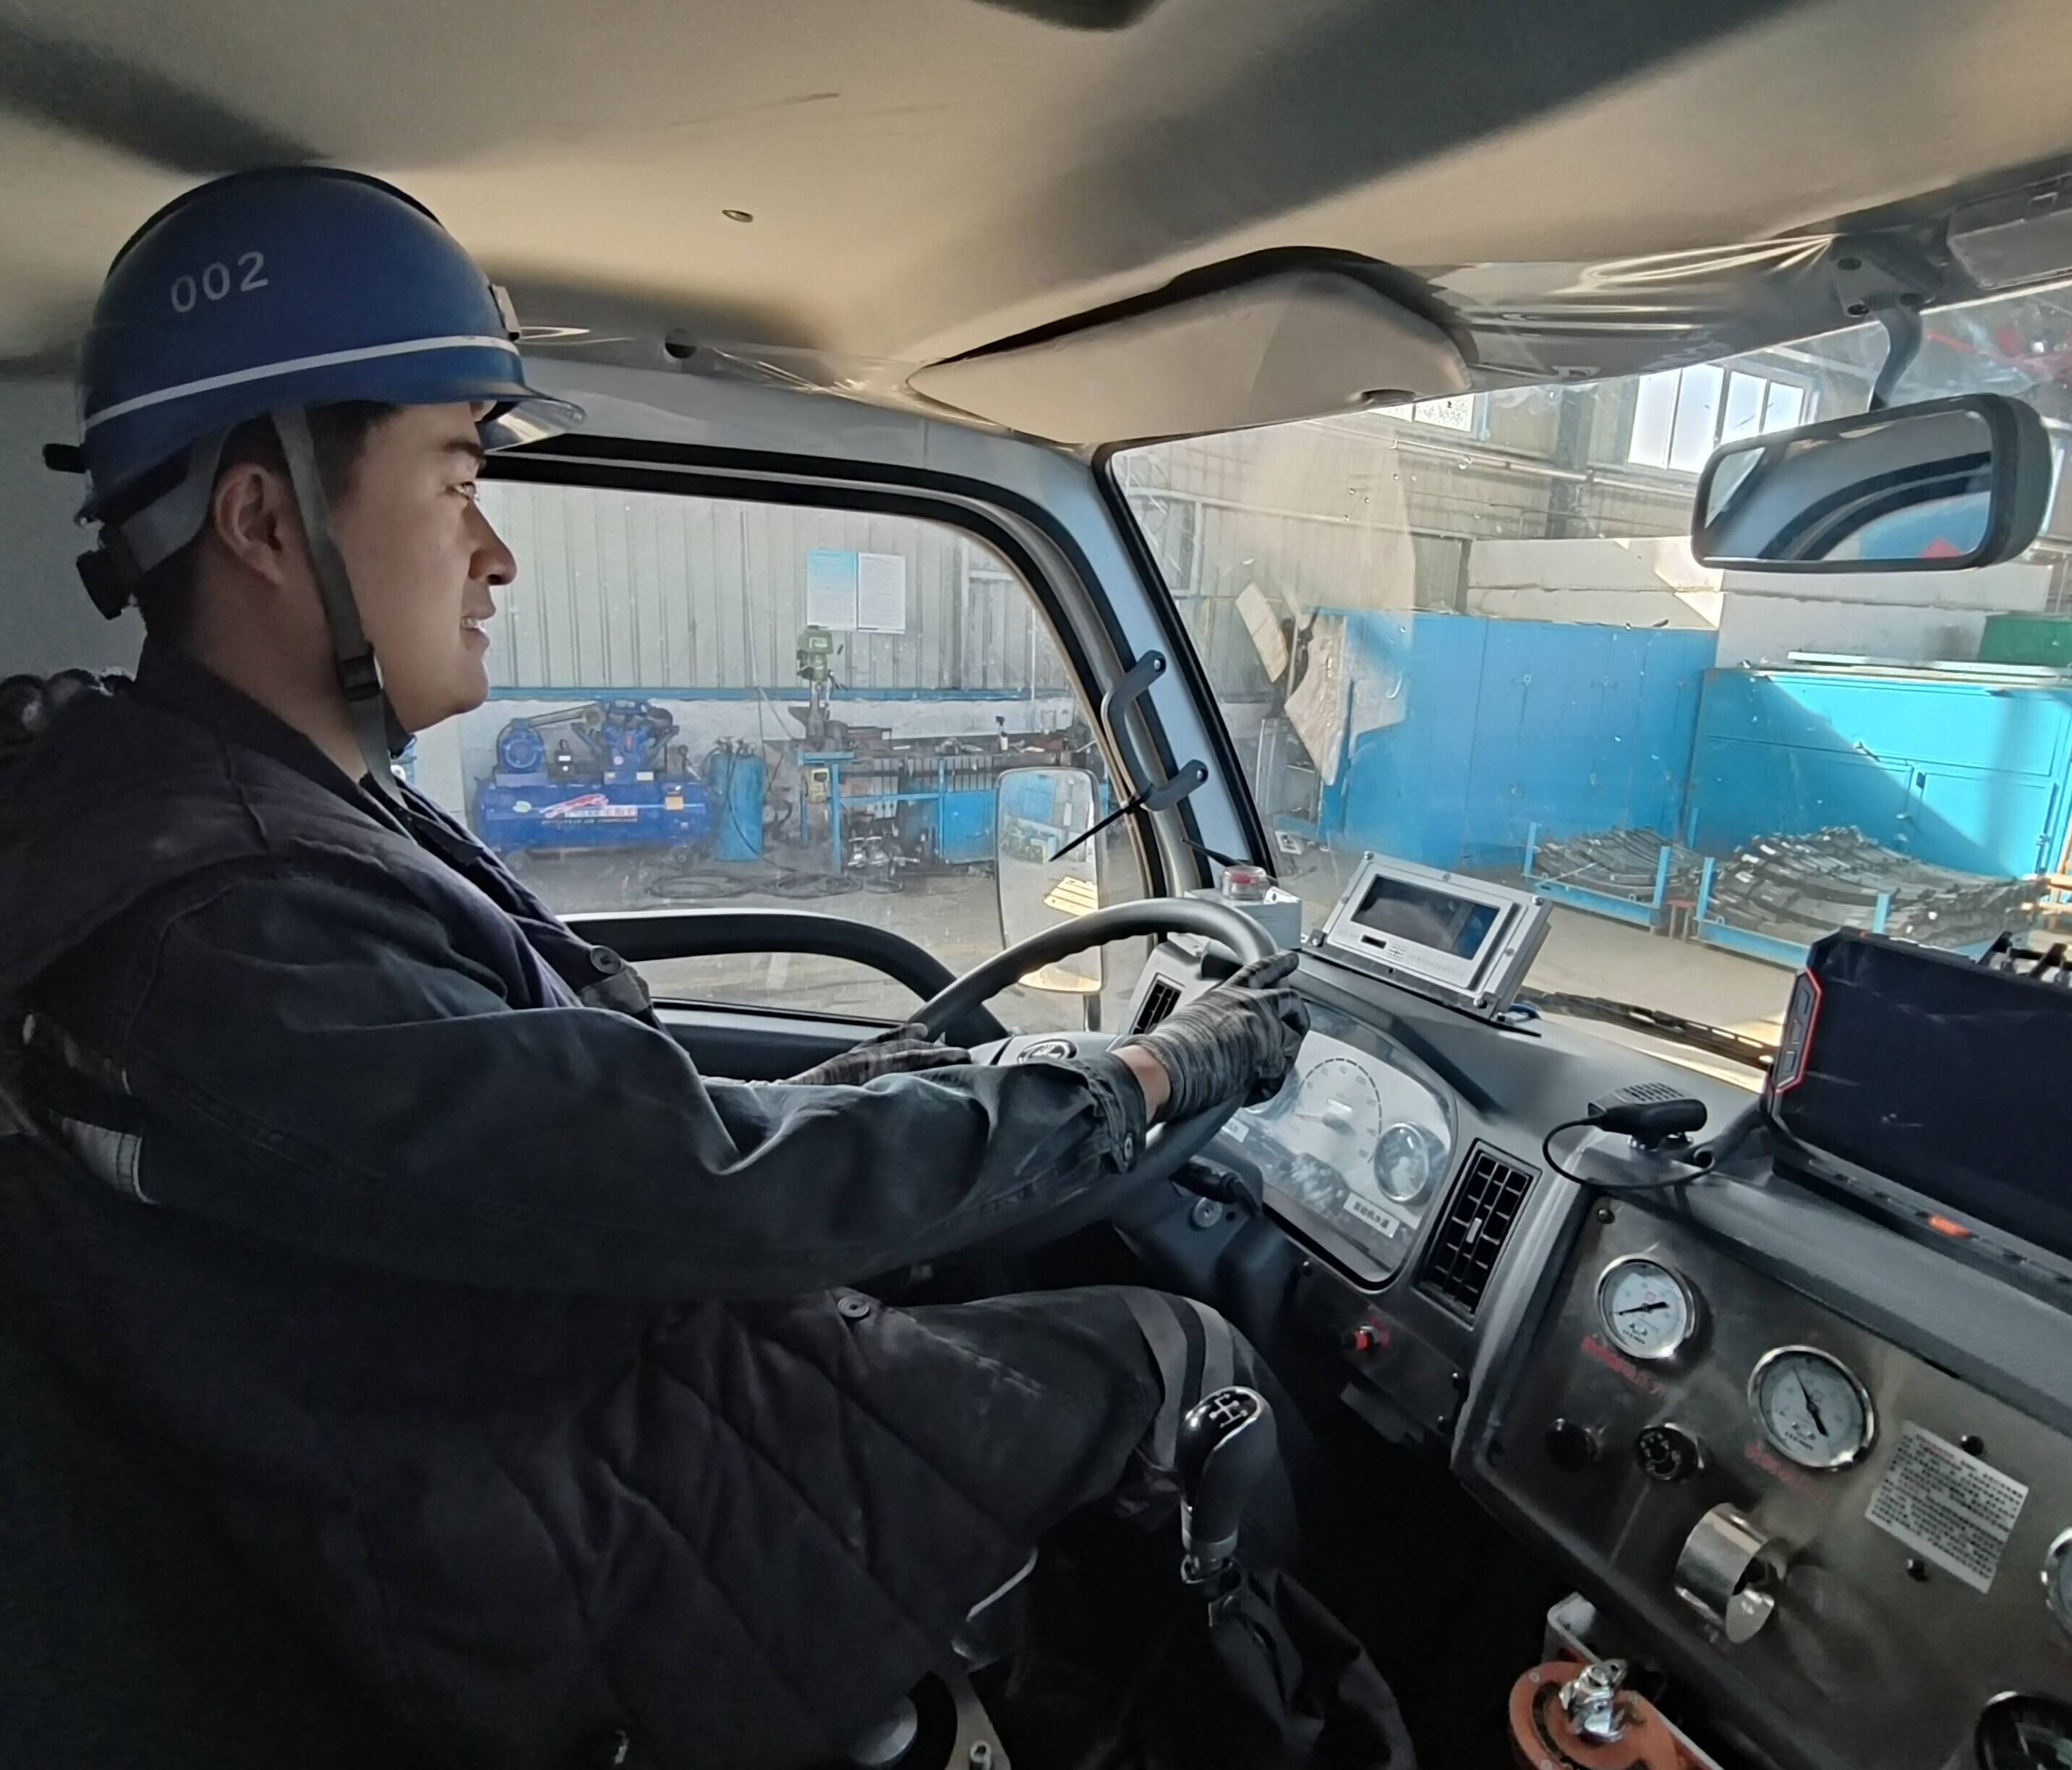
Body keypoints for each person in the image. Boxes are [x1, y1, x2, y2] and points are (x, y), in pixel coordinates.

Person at [0, 168, 1309, 1769]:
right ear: (266, 522)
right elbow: (712, 1186)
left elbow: (595, 1120)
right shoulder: (236, 927)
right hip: (541, 1560)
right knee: (1186, 1366)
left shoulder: (242, 820)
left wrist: (913, 1078)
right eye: (455, 480)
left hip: (514, 1418)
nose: (496, 554)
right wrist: (1153, 1073)